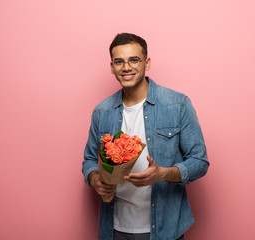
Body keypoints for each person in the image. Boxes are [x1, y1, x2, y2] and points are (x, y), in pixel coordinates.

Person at [82, 33, 209, 240]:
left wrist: (162, 174)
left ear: (146, 63)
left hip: (165, 229)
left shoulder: (178, 104)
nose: (126, 67)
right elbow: (89, 159)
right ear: (112, 67)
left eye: (134, 60)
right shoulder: (101, 111)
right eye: (119, 62)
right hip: (114, 229)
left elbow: (200, 162)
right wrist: (95, 178)